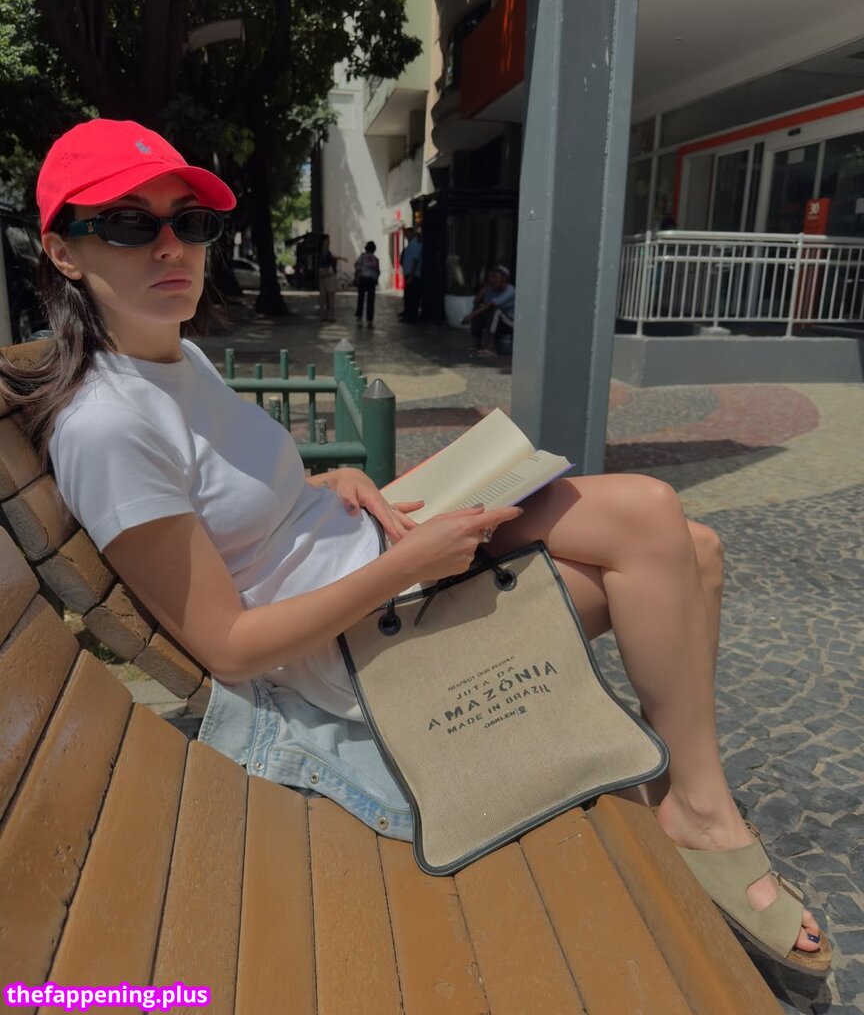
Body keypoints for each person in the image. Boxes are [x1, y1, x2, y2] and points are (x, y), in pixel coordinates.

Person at [0, 119, 830, 979]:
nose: (172, 245)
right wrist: (407, 564)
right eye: (130, 225)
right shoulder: (108, 426)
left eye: (190, 221)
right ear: (63, 252)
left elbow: (232, 513)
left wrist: (328, 484)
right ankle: (699, 815)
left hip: (378, 562)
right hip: (364, 646)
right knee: (661, 530)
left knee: (697, 550)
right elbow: (230, 647)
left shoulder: (178, 360)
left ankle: (689, 794)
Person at [462, 266, 516, 355]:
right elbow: (476, 302)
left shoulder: (510, 291)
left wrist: (470, 316)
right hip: (498, 321)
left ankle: (491, 347)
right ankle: (477, 344)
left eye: (495, 277)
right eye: (491, 277)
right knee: (478, 308)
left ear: (503, 279)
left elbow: (490, 305)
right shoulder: (493, 289)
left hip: (510, 323)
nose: (492, 280)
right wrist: (486, 287)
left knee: (496, 311)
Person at [317, 234, 345, 322]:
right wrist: (341, 258)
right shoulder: (324, 252)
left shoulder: (321, 252)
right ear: (323, 242)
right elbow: (331, 259)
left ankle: (324, 315)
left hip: (322, 275)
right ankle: (329, 316)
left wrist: (341, 258)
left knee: (324, 297)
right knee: (330, 296)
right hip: (327, 274)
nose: (329, 242)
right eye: (327, 240)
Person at [354, 241, 380, 328]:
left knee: (361, 299)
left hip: (363, 279)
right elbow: (377, 271)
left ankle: (359, 317)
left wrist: (358, 274)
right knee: (370, 300)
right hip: (371, 280)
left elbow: (357, 265)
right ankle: (369, 320)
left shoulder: (362, 256)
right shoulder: (375, 259)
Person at [399, 227, 422, 323]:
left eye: (407, 234)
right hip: (408, 273)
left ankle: (412, 316)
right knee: (408, 295)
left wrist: (411, 275)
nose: (405, 236)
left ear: (412, 233)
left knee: (412, 296)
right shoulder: (410, 244)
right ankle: (408, 313)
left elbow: (415, 260)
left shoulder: (415, 244)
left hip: (413, 275)